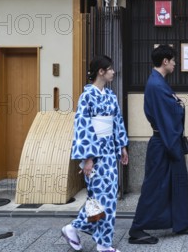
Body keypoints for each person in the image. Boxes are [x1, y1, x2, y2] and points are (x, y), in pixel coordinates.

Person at [128, 45, 188, 245]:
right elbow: (167, 117)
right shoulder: (156, 85)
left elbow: (170, 112)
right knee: (154, 186)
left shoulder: (158, 83)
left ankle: (181, 223)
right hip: (164, 143)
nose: (175, 64)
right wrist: (179, 107)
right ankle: (136, 229)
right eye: (174, 60)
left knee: (178, 182)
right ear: (165, 61)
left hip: (168, 140)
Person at [61, 55, 129, 252]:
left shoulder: (111, 96)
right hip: (95, 156)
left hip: (109, 154)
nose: (113, 72)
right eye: (110, 69)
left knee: (108, 199)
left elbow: (117, 122)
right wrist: (88, 158)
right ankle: (74, 229)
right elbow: (82, 127)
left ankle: (102, 242)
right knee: (100, 200)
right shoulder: (87, 97)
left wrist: (122, 146)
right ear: (101, 72)